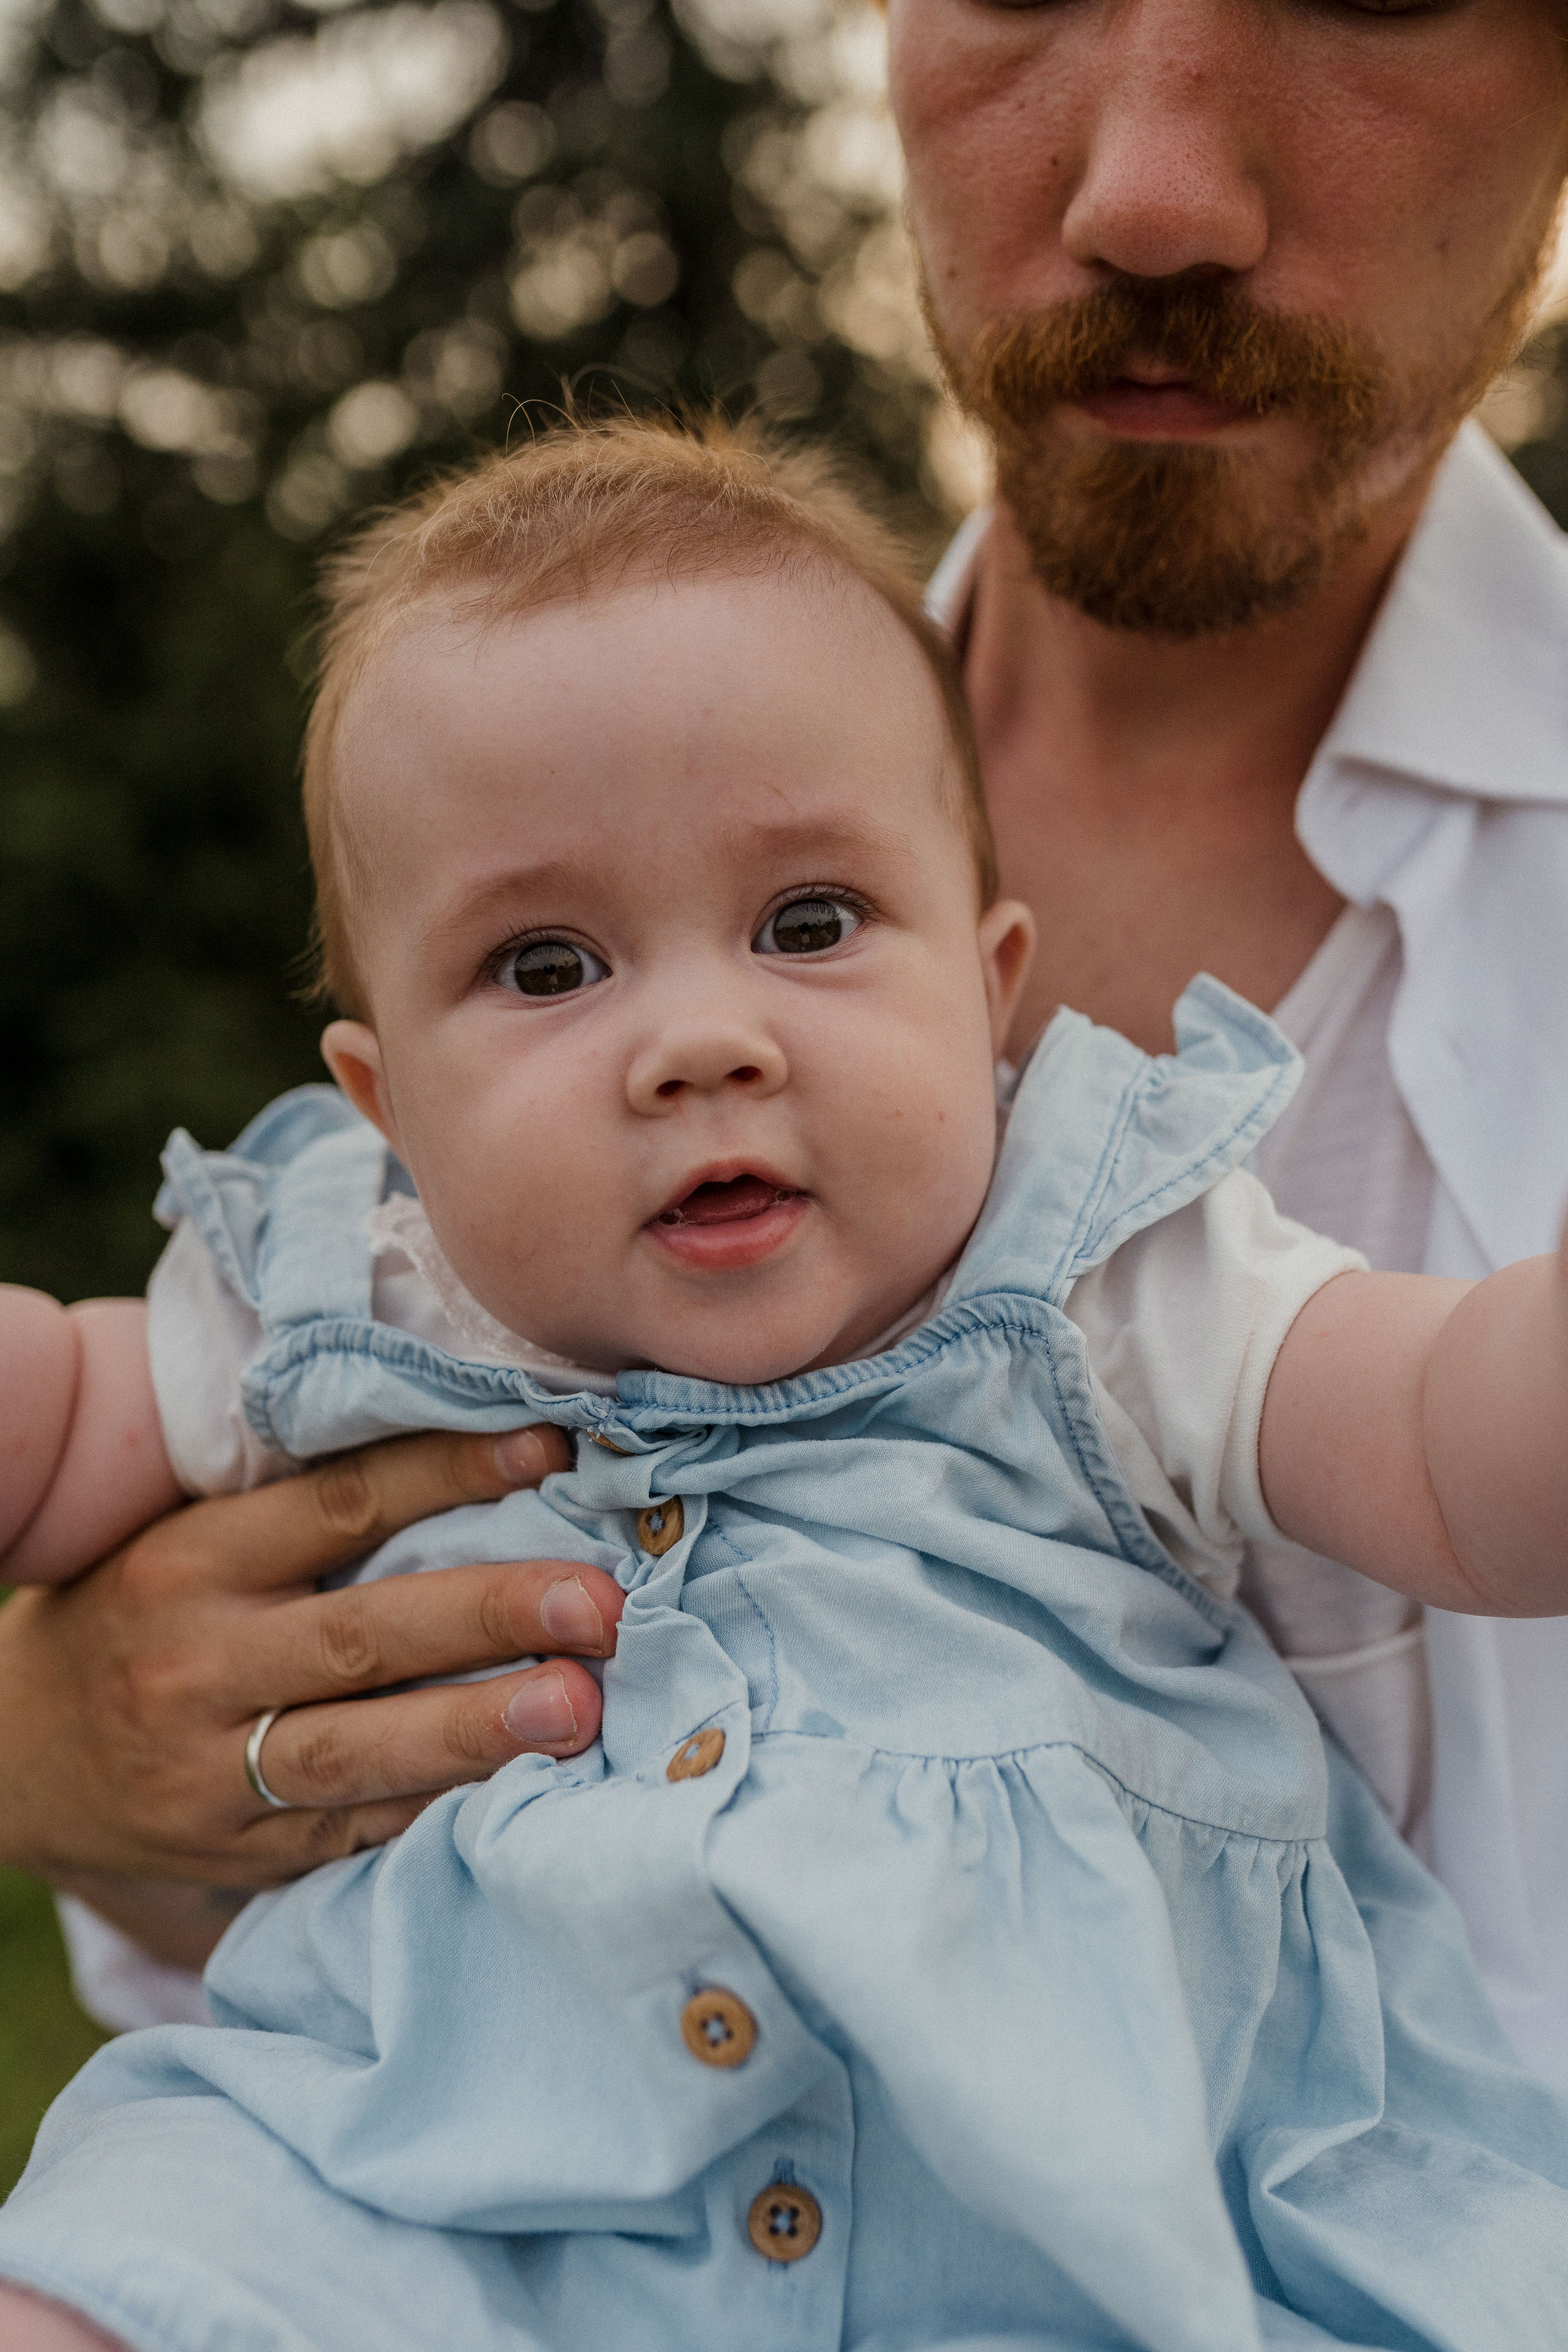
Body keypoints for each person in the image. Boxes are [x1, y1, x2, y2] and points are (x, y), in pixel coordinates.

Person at [6, 0, 1568, 2082]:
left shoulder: (1131, 1285)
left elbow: (1465, 1446)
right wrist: (54, 1749)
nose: (1152, 193)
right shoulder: (403, 1236)